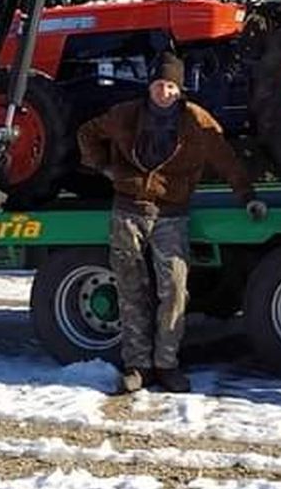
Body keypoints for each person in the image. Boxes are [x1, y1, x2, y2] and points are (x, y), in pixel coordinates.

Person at [77, 50, 268, 395]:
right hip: (128, 210)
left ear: (180, 90)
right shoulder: (126, 115)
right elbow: (87, 133)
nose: (164, 92)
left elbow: (227, 160)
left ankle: (167, 364)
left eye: (171, 86)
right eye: (159, 85)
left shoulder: (196, 122)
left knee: (175, 290)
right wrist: (104, 167)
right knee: (131, 289)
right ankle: (138, 366)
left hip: (171, 214)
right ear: (150, 86)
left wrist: (247, 195)